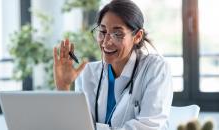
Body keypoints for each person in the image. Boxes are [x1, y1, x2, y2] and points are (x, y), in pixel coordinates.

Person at [53, 0, 173, 130]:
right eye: (103, 32)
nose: (106, 42)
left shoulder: (156, 69)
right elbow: (76, 125)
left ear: (137, 36)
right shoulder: (87, 73)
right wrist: (63, 87)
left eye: (117, 34)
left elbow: (148, 127)